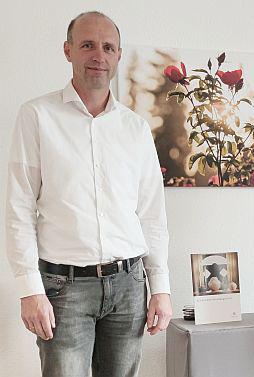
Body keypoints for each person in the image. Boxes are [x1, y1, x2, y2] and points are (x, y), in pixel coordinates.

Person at [5, 11, 172, 377]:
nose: (98, 55)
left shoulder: (135, 129)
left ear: (117, 55)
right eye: (87, 45)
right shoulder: (37, 116)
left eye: (108, 47)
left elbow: (151, 215)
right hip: (64, 291)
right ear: (68, 51)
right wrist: (30, 289)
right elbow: (19, 208)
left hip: (130, 287)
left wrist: (161, 287)